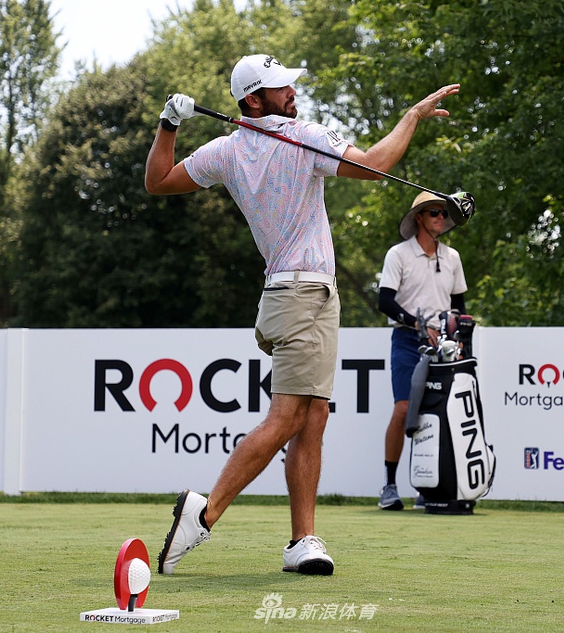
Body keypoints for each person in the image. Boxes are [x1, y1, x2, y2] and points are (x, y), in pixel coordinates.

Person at [145, 52, 460, 575]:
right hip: (302, 298)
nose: (292, 93)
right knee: (289, 416)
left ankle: (303, 542)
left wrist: (168, 125)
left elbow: (159, 178)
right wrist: (411, 116)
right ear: (252, 99)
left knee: (313, 417)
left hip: (293, 297)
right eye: (281, 88)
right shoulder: (302, 137)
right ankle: (205, 513)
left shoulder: (226, 151)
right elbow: (376, 165)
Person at [376, 191, 468, 510]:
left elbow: (459, 305)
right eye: (434, 213)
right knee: (404, 408)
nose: (440, 218)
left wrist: (457, 331)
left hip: (442, 345)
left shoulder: (453, 257)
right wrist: (417, 324)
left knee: (438, 414)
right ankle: (388, 485)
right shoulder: (398, 254)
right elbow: (384, 301)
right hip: (407, 340)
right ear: (419, 218)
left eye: (443, 214)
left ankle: (428, 485)